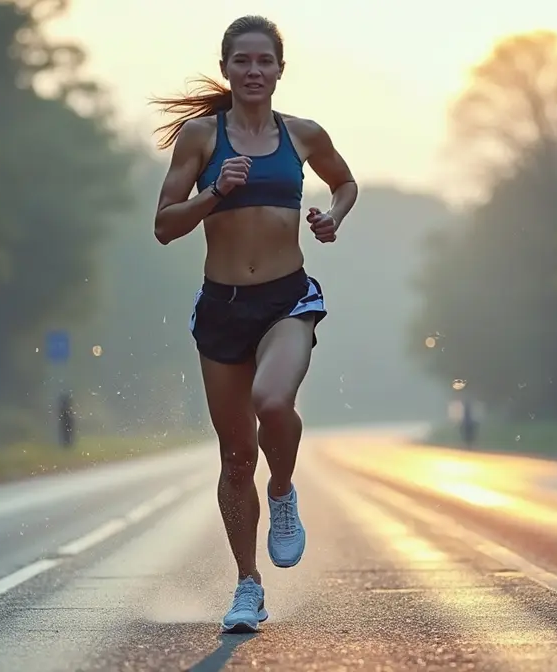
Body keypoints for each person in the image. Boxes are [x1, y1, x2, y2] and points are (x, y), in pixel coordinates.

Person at [150, 15, 358, 634]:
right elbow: (164, 225)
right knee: (237, 455)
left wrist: (333, 218)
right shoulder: (199, 139)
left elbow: (345, 183)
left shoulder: (303, 135)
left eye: (264, 61)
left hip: (286, 300)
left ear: (279, 70)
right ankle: (247, 585)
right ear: (227, 69)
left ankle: (285, 489)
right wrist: (215, 191)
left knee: (273, 401)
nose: (253, 71)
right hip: (222, 308)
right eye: (242, 61)